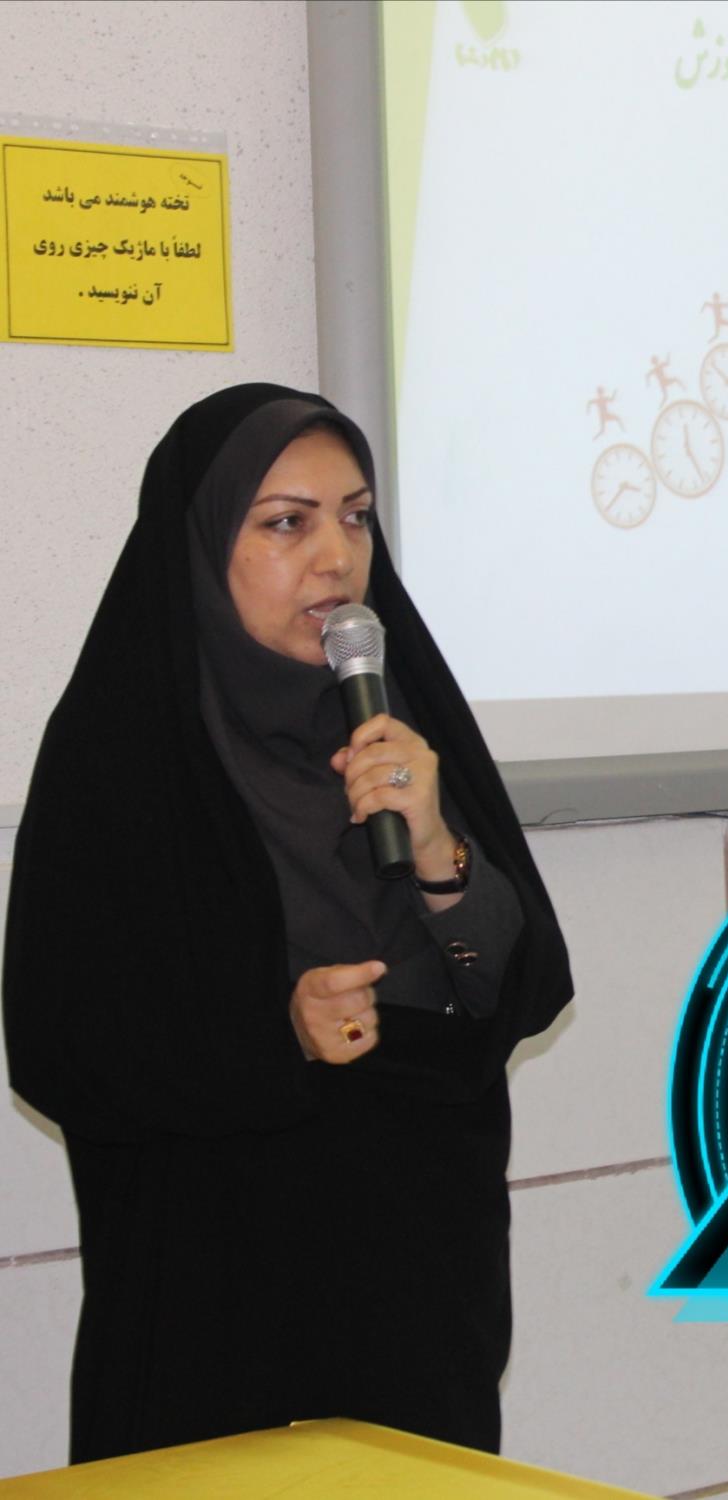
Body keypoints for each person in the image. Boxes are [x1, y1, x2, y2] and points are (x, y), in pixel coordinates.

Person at [1, 384, 573, 1463]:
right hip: (215, 1302)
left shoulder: (406, 729)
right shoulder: (122, 761)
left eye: (355, 517)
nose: (336, 558)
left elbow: (519, 987)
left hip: (419, 1300)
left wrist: (439, 850)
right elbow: (63, 1044)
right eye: (285, 523)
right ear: (203, 544)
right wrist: (280, 1030)